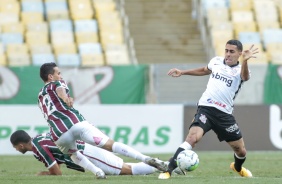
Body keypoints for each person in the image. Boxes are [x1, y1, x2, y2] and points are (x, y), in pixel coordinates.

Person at [38, 62, 167, 179]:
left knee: (74, 155)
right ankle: (146, 158)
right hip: (75, 123)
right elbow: (59, 90)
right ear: (50, 77)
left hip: (58, 134)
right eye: (58, 73)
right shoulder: (57, 83)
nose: (60, 76)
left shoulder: (40, 96)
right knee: (109, 144)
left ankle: (97, 172)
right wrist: (66, 98)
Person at [158, 40, 258, 179]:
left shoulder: (240, 70)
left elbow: (245, 77)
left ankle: (237, 167)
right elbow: (204, 70)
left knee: (240, 151)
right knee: (192, 138)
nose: (228, 54)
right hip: (206, 108)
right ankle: (168, 170)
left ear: (240, 54)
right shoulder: (216, 61)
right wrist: (182, 72)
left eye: (232, 51)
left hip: (224, 115)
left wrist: (245, 61)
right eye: (226, 50)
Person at [10, 130, 157, 176]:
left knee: (125, 170)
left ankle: (167, 165)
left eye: (16, 147)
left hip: (84, 152)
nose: (16, 149)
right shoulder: (38, 139)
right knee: (124, 167)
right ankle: (166, 164)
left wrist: (45, 174)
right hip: (83, 149)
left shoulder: (38, 149)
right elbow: (57, 159)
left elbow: (56, 172)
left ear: (21, 145)